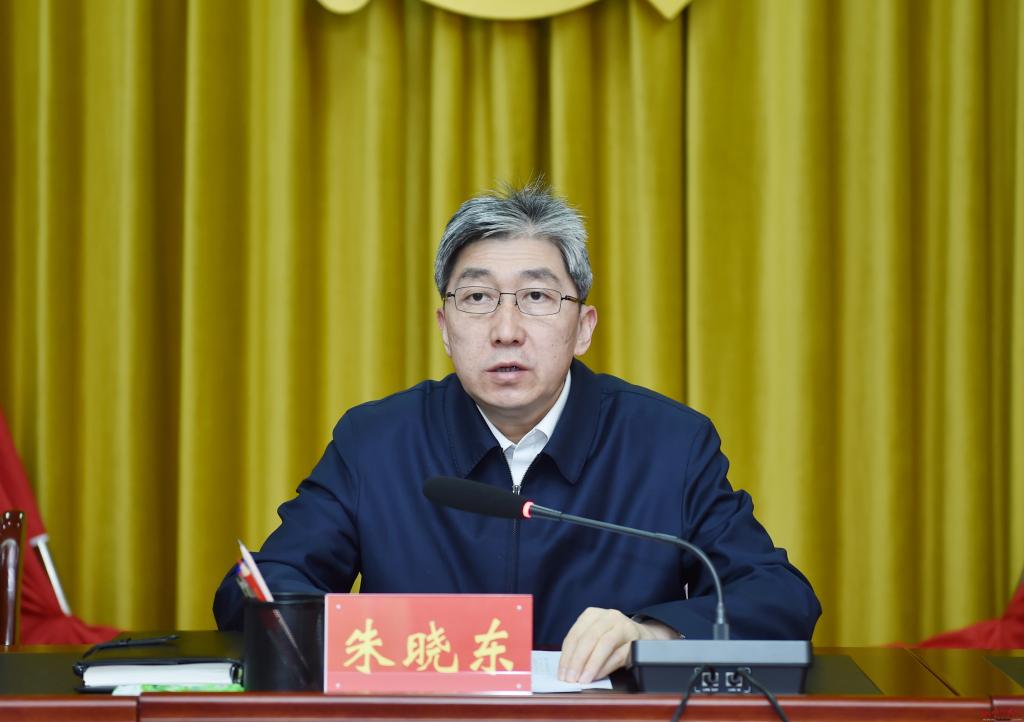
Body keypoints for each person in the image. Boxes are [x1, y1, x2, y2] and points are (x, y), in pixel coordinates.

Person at [213, 182, 821, 684]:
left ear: (583, 327)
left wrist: (653, 635)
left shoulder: (669, 444)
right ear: (445, 327)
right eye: (478, 297)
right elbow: (257, 590)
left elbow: (778, 597)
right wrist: (374, 638)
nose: (506, 329)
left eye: (535, 296)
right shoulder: (376, 442)